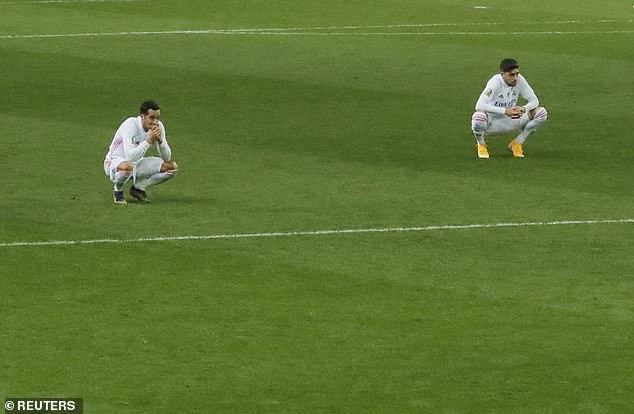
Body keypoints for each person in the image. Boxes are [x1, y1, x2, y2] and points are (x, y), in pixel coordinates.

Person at [471, 58, 548, 158]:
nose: (515, 78)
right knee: (478, 117)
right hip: (492, 123)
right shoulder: (495, 83)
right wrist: (505, 111)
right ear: (502, 74)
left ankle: (517, 143)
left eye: (517, 74)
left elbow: (534, 101)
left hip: (512, 120)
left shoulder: (519, 80)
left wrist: (524, 109)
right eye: (511, 75)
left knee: (541, 113)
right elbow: (479, 105)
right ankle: (481, 145)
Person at [104, 101, 178, 204]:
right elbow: (129, 157)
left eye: (157, 118)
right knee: (128, 167)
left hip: (136, 163)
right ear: (142, 117)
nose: (156, 122)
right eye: (152, 118)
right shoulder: (130, 124)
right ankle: (118, 190)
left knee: (171, 167)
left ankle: (139, 187)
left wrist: (160, 142)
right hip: (114, 162)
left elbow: (167, 158)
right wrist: (148, 142)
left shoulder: (159, 126)